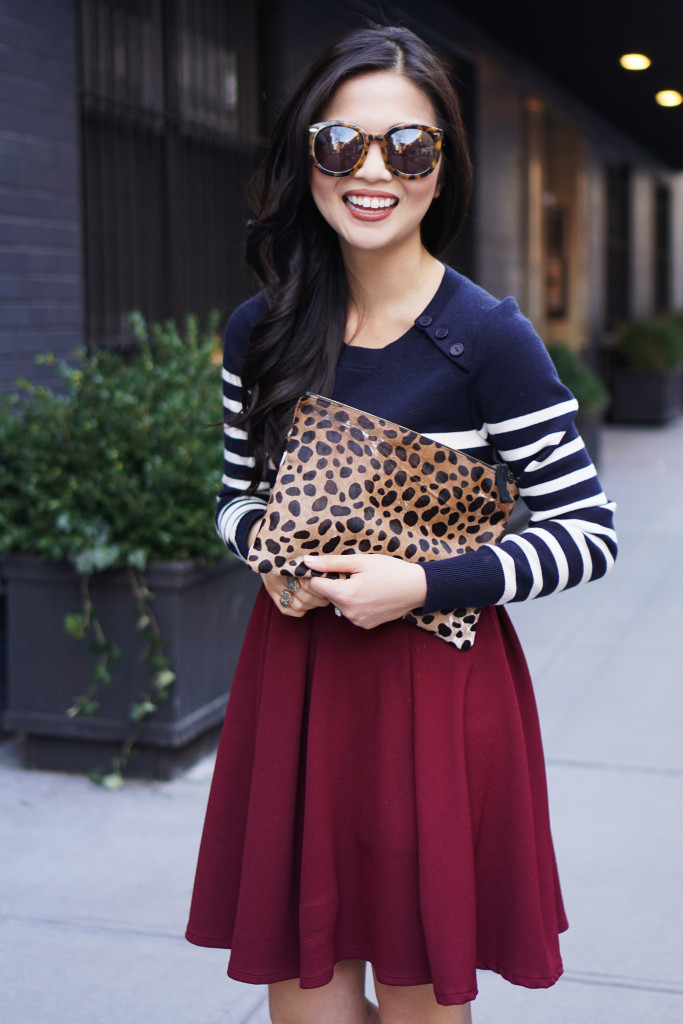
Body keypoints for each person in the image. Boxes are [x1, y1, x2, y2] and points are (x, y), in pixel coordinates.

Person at [185, 24, 617, 1024]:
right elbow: (234, 494)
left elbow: (585, 530)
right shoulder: (262, 329)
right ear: (307, 158)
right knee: (306, 995)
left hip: (431, 695)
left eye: (407, 147)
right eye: (341, 143)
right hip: (296, 681)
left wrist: (419, 584)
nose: (371, 171)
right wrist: (268, 554)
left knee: (419, 993)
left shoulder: (487, 339)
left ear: (441, 169)